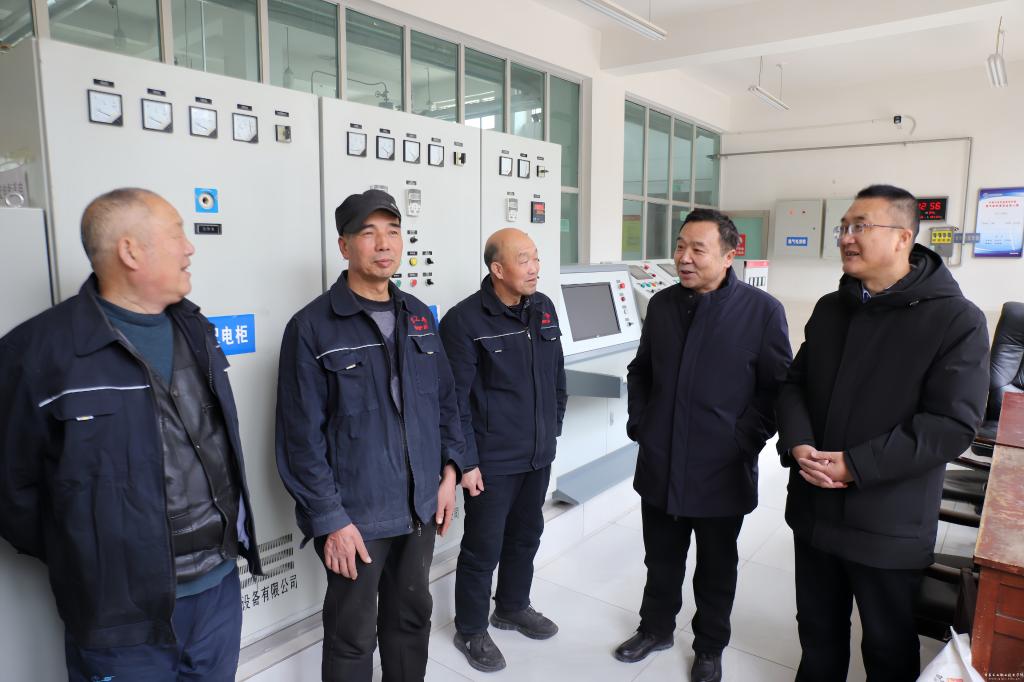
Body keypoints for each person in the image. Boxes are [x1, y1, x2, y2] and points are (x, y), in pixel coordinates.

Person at [0, 187, 262, 681]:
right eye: (177, 234)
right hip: (118, 617)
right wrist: (88, 553)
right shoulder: (37, 354)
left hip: (217, 590)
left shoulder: (196, 330)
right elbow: (13, 494)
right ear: (130, 251)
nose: (190, 248)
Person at [777, 184, 990, 680]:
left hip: (887, 522)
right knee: (817, 631)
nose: (845, 238)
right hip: (814, 508)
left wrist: (855, 465)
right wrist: (798, 442)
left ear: (903, 238)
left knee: (888, 644)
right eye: (843, 227)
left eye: (860, 226)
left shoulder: (956, 320)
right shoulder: (831, 309)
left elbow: (952, 425)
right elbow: (794, 384)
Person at [276, 189, 467, 682]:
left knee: (411, 621)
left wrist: (450, 471)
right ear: (344, 246)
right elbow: (300, 440)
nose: (384, 244)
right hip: (355, 519)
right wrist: (330, 521)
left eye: (393, 232)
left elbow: (446, 401)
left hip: (420, 508)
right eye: (369, 233)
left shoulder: (419, 315)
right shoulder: (312, 327)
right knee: (352, 635)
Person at [614, 209, 792, 682]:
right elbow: (641, 370)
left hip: (722, 468)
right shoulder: (664, 305)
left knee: (716, 566)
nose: (684, 258)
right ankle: (654, 629)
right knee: (661, 559)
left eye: (698, 249)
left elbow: (777, 390)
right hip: (662, 460)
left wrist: (743, 439)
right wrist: (642, 424)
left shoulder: (762, 312)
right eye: (680, 246)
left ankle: (710, 646)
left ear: (730, 255)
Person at [439, 228, 567, 673]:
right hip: (491, 461)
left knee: (527, 535)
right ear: (497, 269)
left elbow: (557, 375)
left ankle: (512, 606)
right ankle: (471, 629)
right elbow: (454, 401)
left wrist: (553, 429)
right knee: (483, 547)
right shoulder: (464, 322)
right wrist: (466, 461)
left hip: (537, 453)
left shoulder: (543, 308)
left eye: (536, 258)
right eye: (524, 259)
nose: (535, 268)